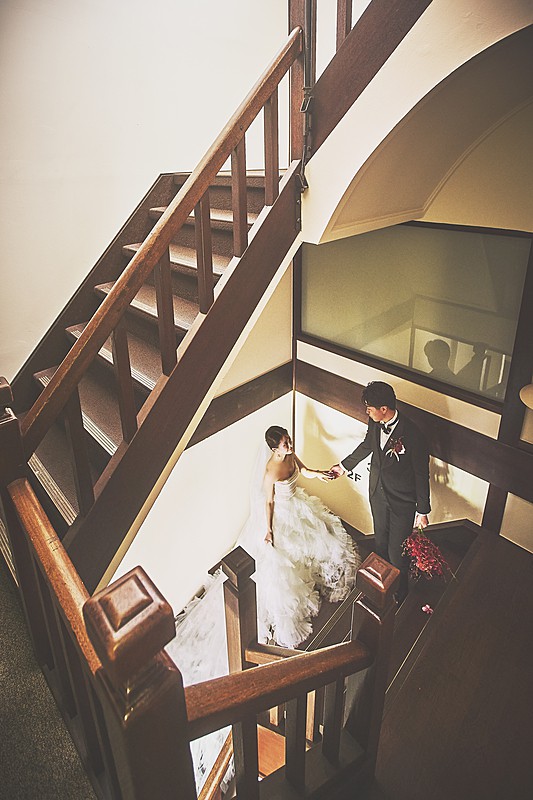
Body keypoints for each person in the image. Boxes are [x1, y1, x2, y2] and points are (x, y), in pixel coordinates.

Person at [166, 426, 360, 791]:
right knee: (285, 567)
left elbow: (305, 469)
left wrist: (322, 474)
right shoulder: (270, 470)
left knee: (325, 545)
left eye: (289, 441)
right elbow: (268, 503)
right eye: (284, 444)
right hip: (280, 518)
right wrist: (268, 531)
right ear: (273, 448)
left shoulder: (290, 456)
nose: (289, 446)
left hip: (299, 507)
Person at [330, 381, 430, 605]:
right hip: (377, 493)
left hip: (403, 502)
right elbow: (367, 445)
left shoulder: (414, 435)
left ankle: (400, 591)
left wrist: (422, 510)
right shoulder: (375, 422)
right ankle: (382, 583)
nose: (367, 412)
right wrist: (344, 467)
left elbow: (421, 474)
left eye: (369, 408)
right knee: (380, 543)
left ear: (383, 409)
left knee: (397, 552)